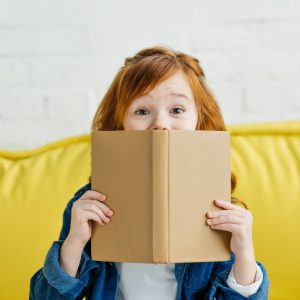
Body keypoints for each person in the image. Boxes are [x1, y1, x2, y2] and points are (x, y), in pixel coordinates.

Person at [30, 46, 270, 299]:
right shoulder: (88, 206)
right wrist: (74, 244)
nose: (160, 124)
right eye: (142, 111)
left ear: (199, 121)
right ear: (120, 124)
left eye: (177, 110)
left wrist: (244, 253)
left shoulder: (220, 207)